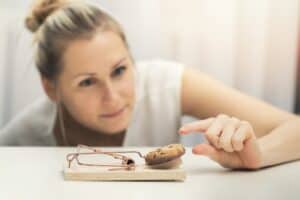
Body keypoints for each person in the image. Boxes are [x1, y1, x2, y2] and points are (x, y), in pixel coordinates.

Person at [1, 0, 300, 170]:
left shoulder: (166, 83)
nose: (112, 97)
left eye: (119, 70)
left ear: (133, 61)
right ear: (51, 88)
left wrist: (258, 154)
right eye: (87, 82)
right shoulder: (22, 137)